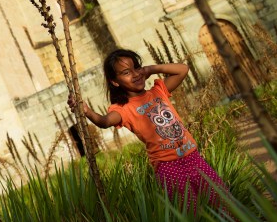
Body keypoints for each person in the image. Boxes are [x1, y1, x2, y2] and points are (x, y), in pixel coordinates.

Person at [82, 48, 226, 209]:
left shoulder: (158, 91)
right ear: (115, 82)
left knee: (223, 200)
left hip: (192, 157)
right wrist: (87, 111)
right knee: (192, 211)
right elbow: (104, 121)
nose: (135, 74)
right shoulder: (123, 109)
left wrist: (151, 69)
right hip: (168, 166)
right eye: (126, 72)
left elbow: (182, 70)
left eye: (136, 67)